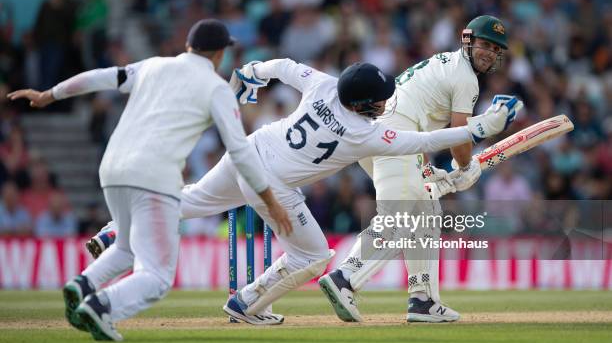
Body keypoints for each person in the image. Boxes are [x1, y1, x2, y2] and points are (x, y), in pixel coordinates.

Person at [85, 55, 522, 325]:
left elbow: (282, 66)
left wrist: (251, 73)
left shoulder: (323, 84)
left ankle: (113, 231)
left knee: (193, 198)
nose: (387, 105)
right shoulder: (364, 134)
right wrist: (482, 127)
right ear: (367, 104)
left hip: (249, 150)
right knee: (315, 256)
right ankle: (247, 302)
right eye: (383, 100)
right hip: (273, 185)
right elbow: (425, 143)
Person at [8, 19, 292, 341]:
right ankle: (102, 307)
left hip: (113, 169)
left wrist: (49, 94)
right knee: (157, 276)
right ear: (219, 54)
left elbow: (104, 77)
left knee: (127, 247)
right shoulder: (216, 88)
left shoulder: (153, 65)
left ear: (188, 46)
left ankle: (83, 284)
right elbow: (240, 152)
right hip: (154, 177)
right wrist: (270, 200)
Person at [318, 15, 511, 323]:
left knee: (426, 211)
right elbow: (460, 137)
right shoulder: (465, 78)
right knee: (398, 217)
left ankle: (423, 300)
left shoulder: (444, 63)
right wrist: (466, 167)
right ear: (468, 40)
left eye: (495, 48)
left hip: (387, 136)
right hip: (396, 136)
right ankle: (346, 277)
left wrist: (426, 169)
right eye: (484, 44)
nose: (489, 52)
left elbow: (419, 116)